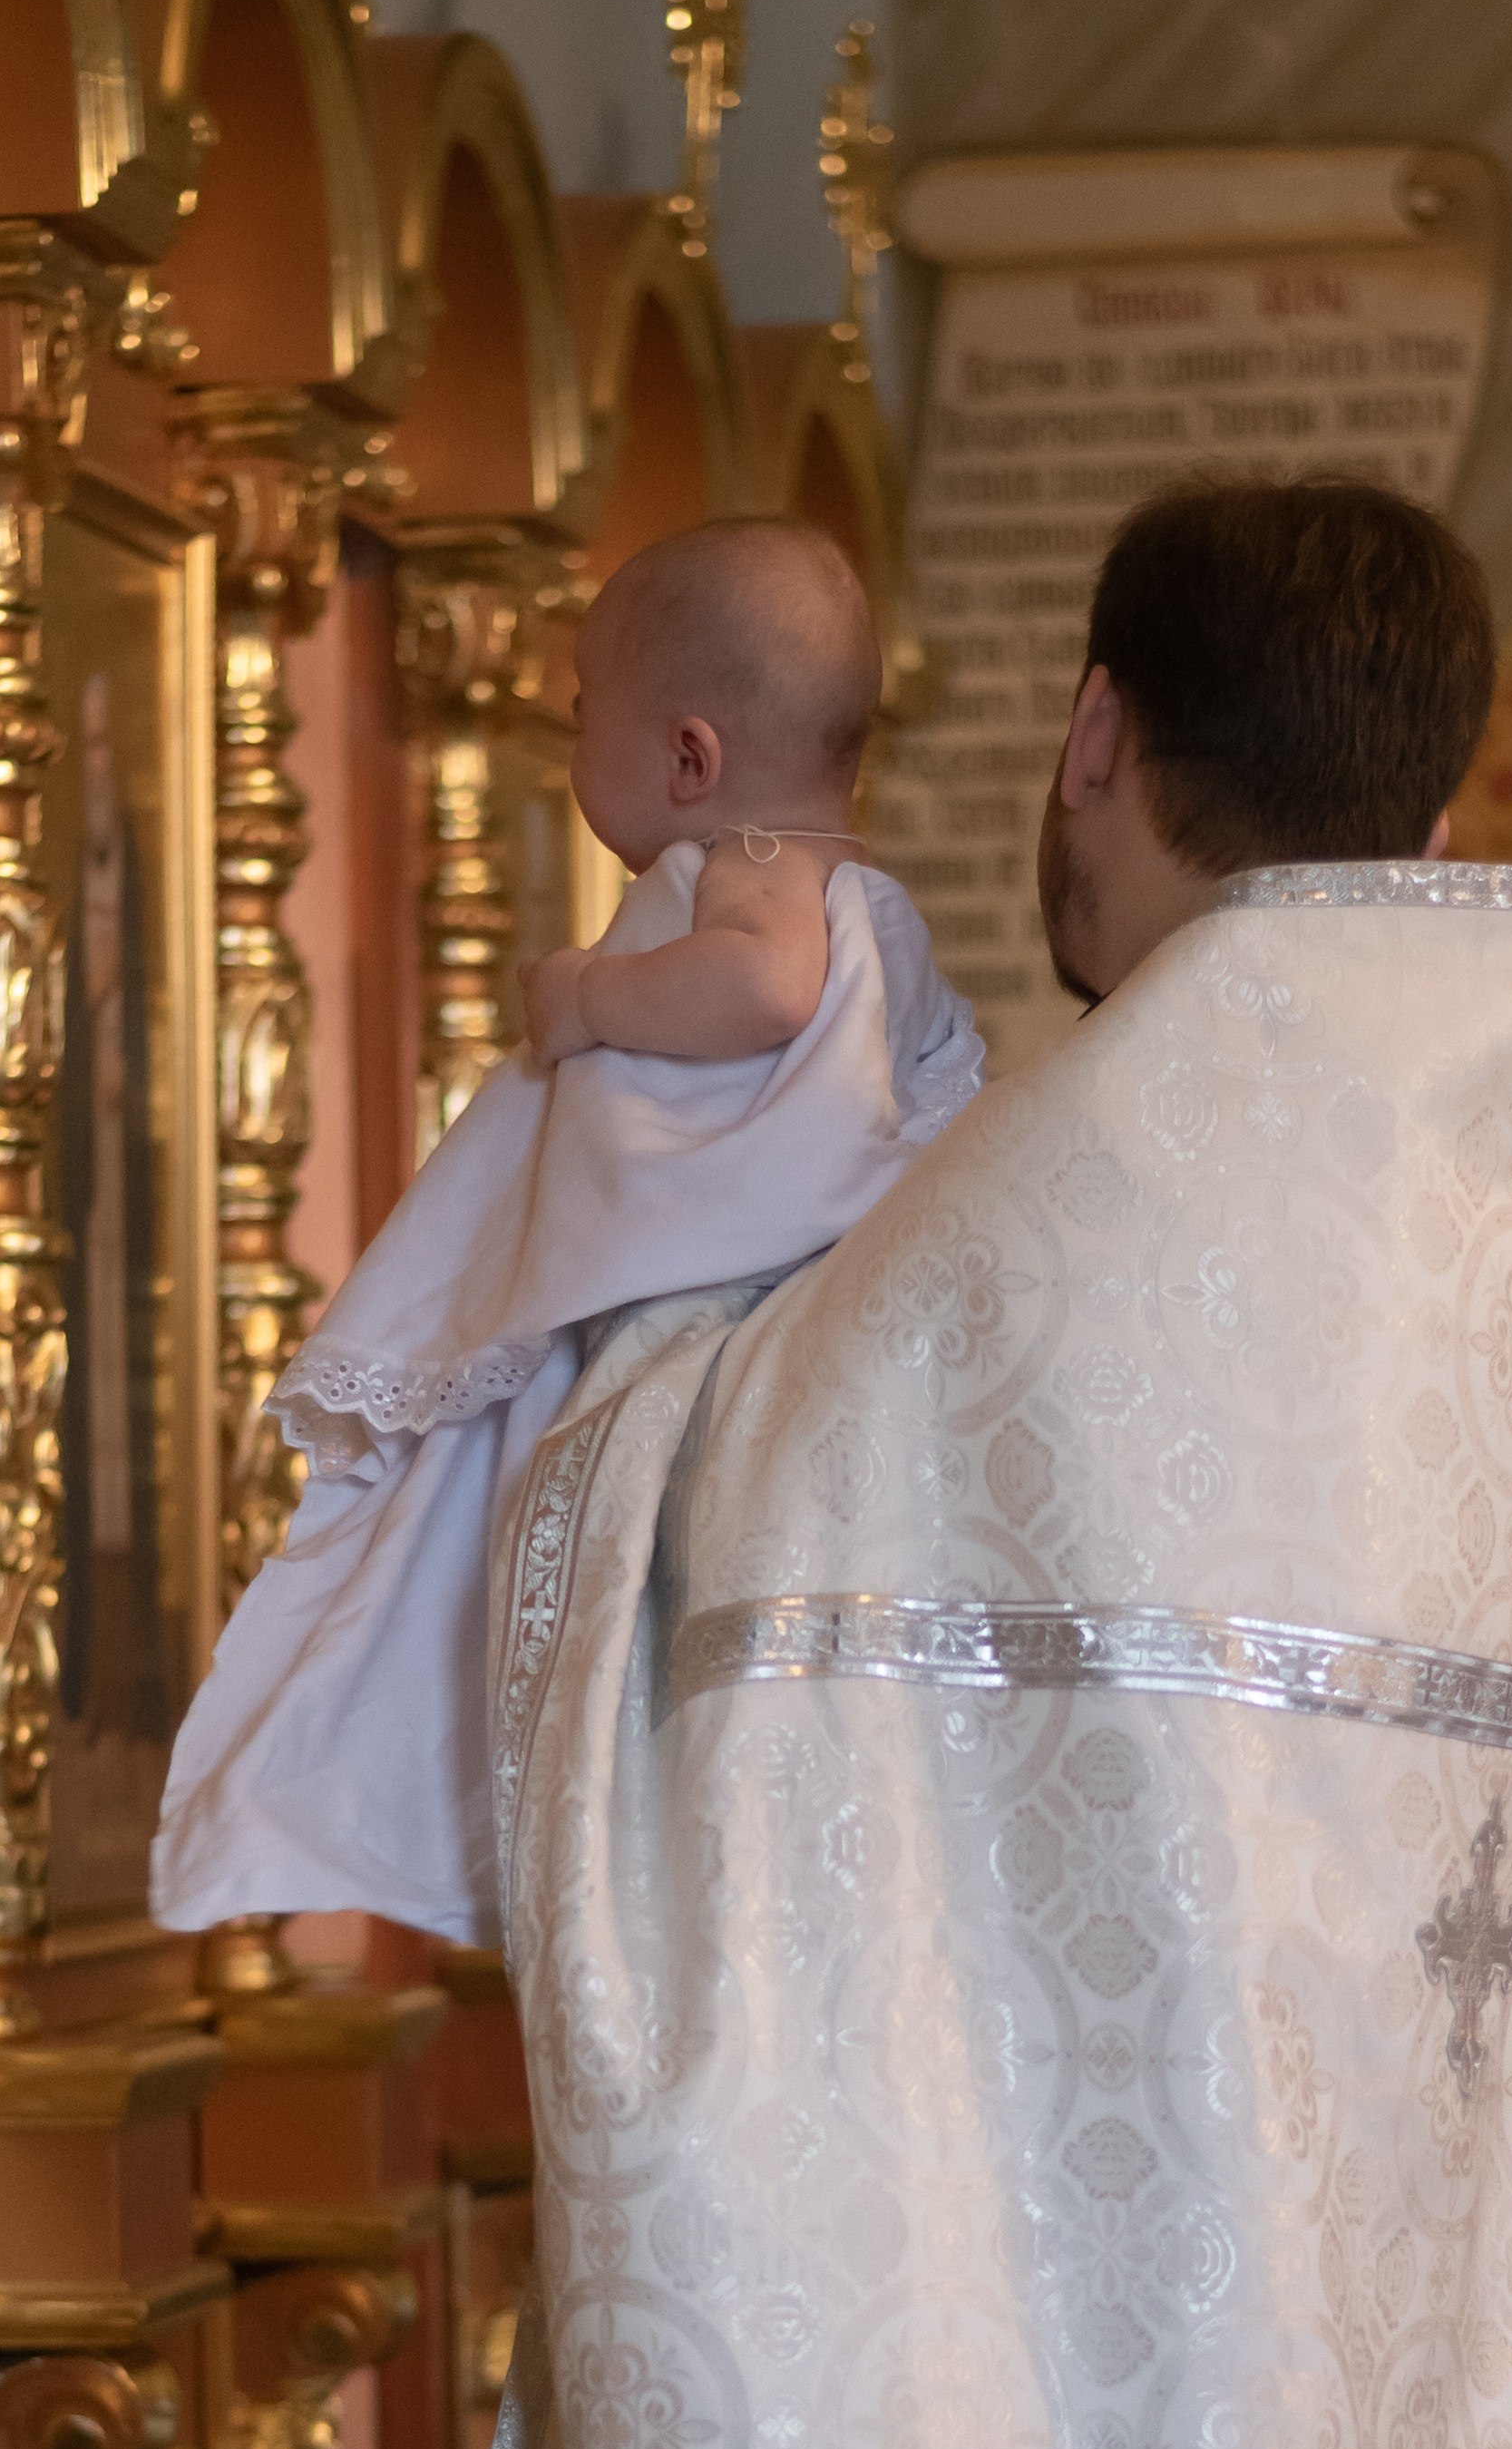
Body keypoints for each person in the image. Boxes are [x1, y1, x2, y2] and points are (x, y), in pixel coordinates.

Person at [419, 478, 1512, 2449]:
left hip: (1046, 2391)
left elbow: (667, 1558)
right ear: (1431, 800)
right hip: (1343, 2325)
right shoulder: (1482, 1194)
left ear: (1087, 737)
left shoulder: (1056, 1197)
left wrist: (601, 1345)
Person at [151, 520, 984, 1944]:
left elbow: (772, 995)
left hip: (707, 1313)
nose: (565, 735)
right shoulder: (854, 889)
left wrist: (596, 1002)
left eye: (584, 708)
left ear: (690, 760)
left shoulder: (761, 873)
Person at [57, 669, 171, 1745]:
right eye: (79, 749)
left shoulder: (126, 876)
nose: (94, 774)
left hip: (116, 1174)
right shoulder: (58, 879)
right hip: (65, 1173)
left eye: (108, 750)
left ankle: (125, 1667)